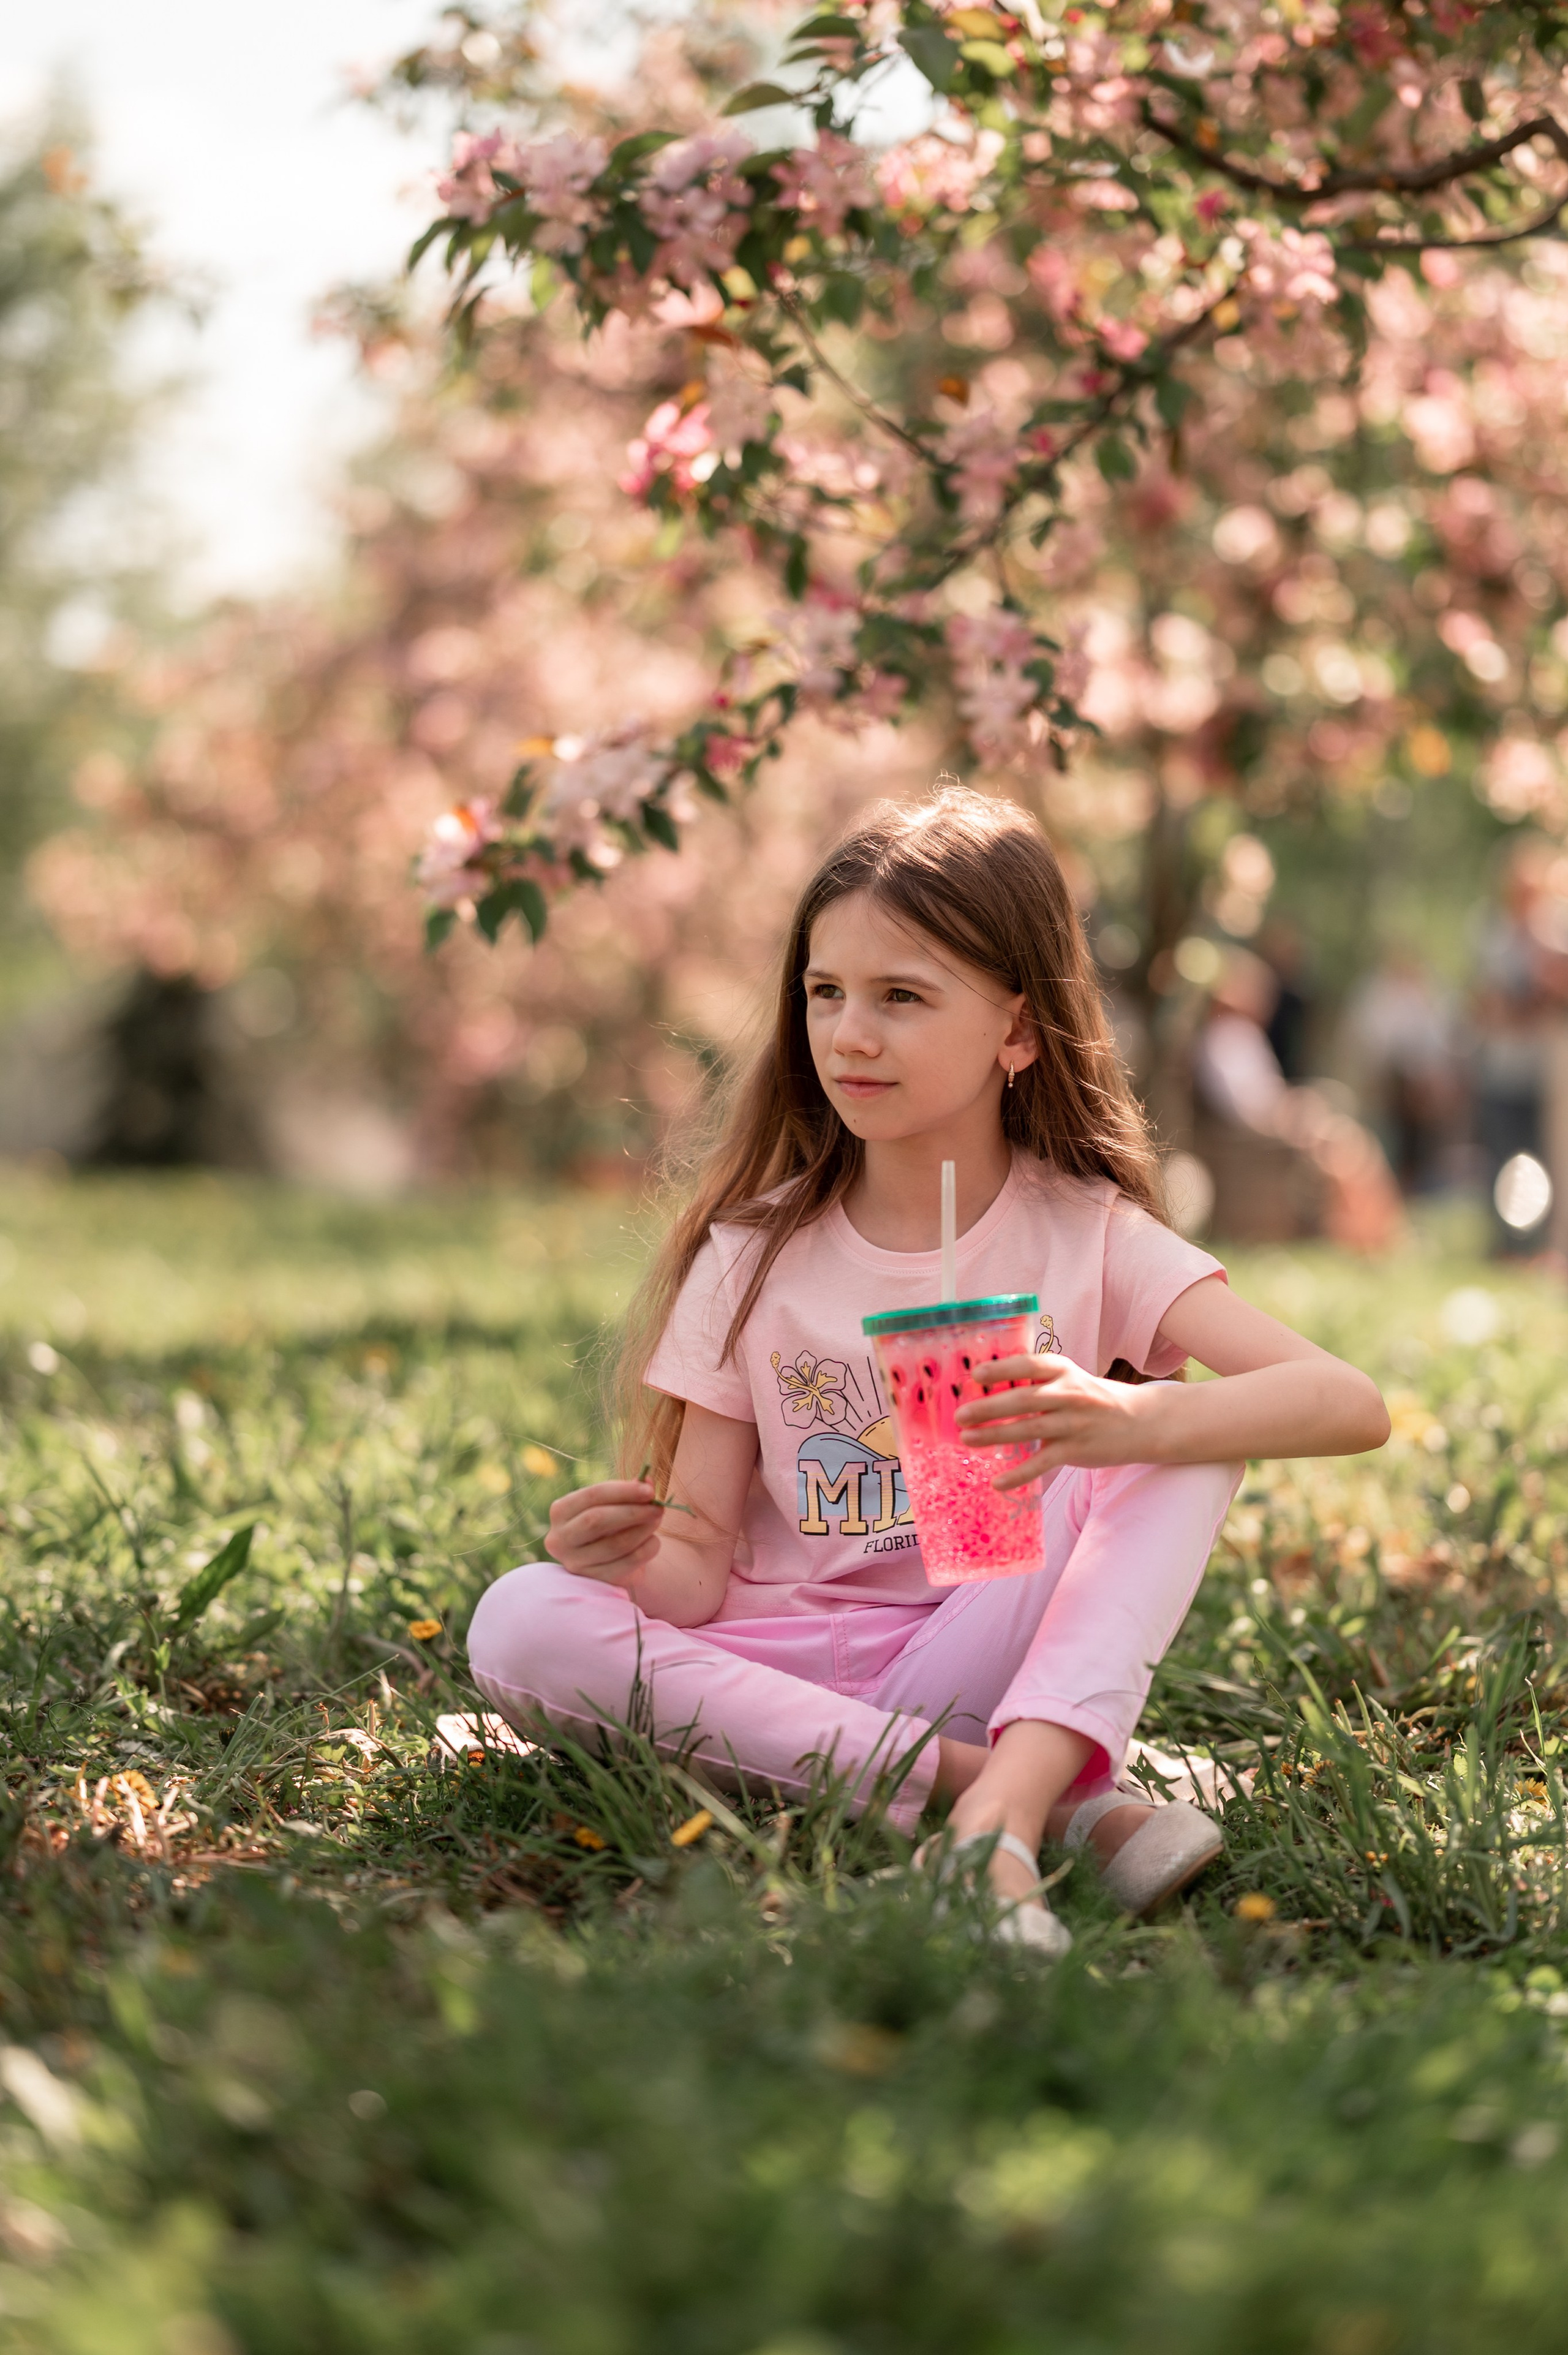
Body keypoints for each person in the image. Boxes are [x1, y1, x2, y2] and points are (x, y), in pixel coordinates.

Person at [469, 790, 1389, 1956]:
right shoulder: (753, 1253)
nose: (851, 1035)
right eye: (826, 993)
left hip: (978, 1644)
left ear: (1018, 1030)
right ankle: (1021, 1796)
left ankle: (994, 1813)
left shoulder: (1085, 1235)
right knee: (521, 1617)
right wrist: (638, 1557)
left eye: (903, 997)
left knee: (1182, 1436)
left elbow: (1350, 1404)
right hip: (783, 1668)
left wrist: (1113, 1414)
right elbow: (698, 1563)